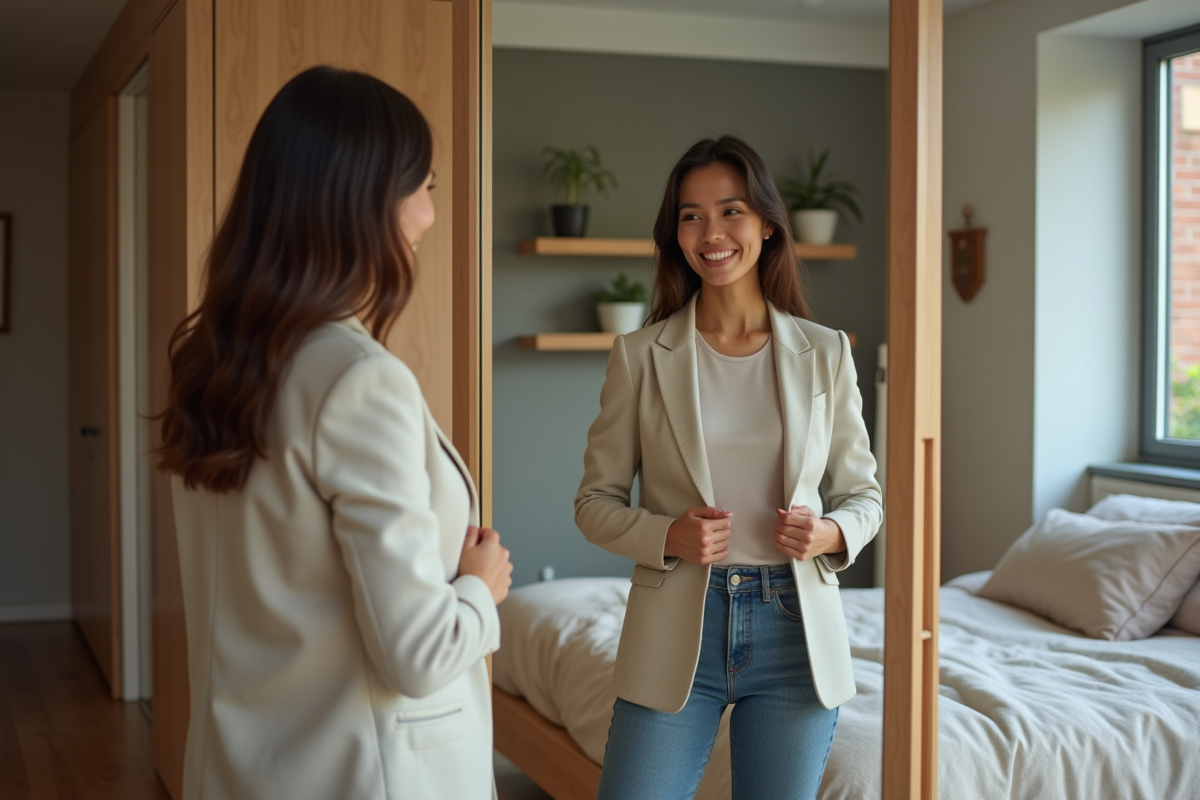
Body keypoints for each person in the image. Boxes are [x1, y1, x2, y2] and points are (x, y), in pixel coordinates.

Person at [156, 66, 511, 800]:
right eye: (425, 187)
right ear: (364, 199)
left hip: (236, 768)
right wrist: (480, 590)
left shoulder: (211, 366)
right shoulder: (357, 380)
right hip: (366, 775)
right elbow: (417, 653)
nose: (430, 216)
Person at [575, 134, 882, 800]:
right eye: (691, 215)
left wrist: (829, 534)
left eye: (731, 211)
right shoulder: (639, 355)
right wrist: (666, 536)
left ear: (768, 225)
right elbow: (593, 502)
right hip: (678, 622)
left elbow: (864, 496)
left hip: (793, 631)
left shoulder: (826, 352)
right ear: (675, 233)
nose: (711, 232)